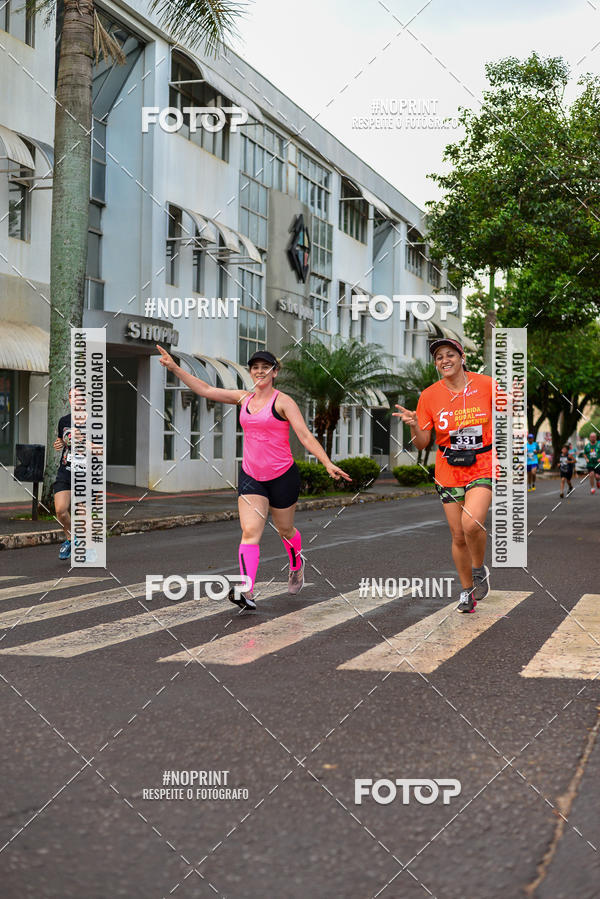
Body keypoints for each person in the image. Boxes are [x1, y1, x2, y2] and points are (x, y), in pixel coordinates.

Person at [156, 345, 351, 609]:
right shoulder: (243, 398)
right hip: (251, 476)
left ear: (274, 373)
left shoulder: (283, 402)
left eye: (265, 367)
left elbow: (304, 435)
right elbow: (206, 390)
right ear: (251, 372)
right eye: (255, 367)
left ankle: (296, 563)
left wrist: (327, 462)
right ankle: (246, 590)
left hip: (283, 475)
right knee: (250, 532)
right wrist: (175, 368)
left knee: (285, 529)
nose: (260, 371)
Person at [394, 338, 494, 614]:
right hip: (448, 469)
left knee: (472, 524)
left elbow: (509, 410)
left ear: (462, 358)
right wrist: (415, 425)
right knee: (458, 534)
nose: (444, 360)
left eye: (450, 354)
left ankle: (478, 568)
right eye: (439, 357)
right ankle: (466, 591)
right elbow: (423, 442)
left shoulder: (485, 385)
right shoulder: (429, 395)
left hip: (482, 463)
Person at [52, 386, 88, 560]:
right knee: (60, 510)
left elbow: (100, 450)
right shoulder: (64, 421)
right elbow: (61, 440)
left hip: (86, 475)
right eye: (71, 397)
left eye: (77, 396)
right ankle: (70, 538)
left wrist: (83, 440)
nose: (74, 399)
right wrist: (58, 444)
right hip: (66, 471)